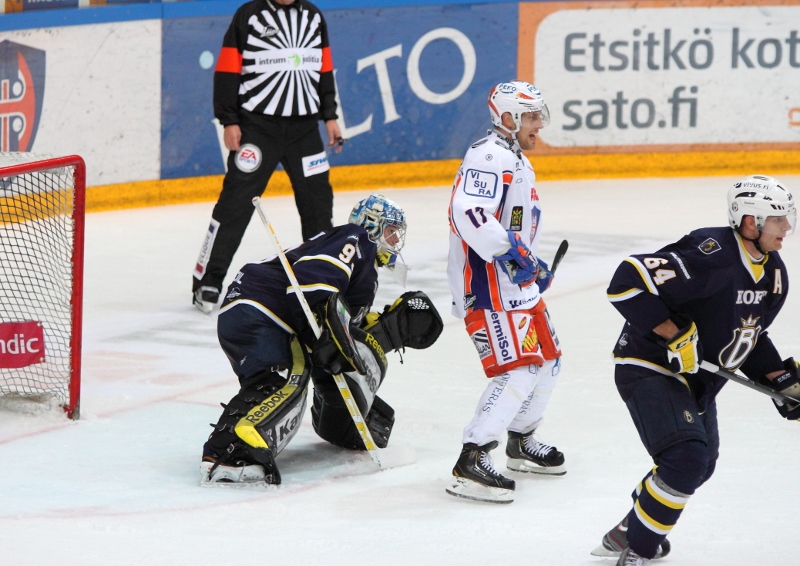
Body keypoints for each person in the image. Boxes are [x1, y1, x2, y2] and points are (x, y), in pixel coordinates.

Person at [593, 175, 799, 565]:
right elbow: (626, 281)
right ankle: (636, 551)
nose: (787, 227)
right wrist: (674, 334)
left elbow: (749, 337)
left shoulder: (774, 276)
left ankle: (629, 530)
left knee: (700, 466)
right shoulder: (712, 253)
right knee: (685, 461)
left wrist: (785, 383)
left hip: (700, 379)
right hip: (650, 364)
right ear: (750, 221)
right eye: (778, 219)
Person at [199, 194, 443, 486]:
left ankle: (230, 449)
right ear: (373, 224)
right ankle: (231, 453)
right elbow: (316, 281)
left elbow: (340, 318)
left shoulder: (366, 269)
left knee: (284, 381)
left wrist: (381, 333)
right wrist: (328, 327)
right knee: (286, 378)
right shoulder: (357, 237)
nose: (394, 239)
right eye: (390, 230)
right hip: (262, 307)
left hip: (263, 313)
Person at [445, 81, 565, 504]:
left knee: (548, 360)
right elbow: (467, 213)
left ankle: (520, 440)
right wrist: (514, 259)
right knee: (519, 369)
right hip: (489, 285)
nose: (539, 125)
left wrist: (530, 264)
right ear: (509, 118)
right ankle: (472, 457)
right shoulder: (490, 156)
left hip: (514, 283)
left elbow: (510, 225)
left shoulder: (512, 157)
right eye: (532, 117)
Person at [192, 0, 345, 313]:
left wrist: (330, 115)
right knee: (234, 205)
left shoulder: (314, 17)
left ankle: (322, 282)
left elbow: (324, 69)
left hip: (305, 131)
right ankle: (208, 280)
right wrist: (229, 120)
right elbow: (226, 70)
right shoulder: (248, 16)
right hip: (258, 129)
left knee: (318, 205)